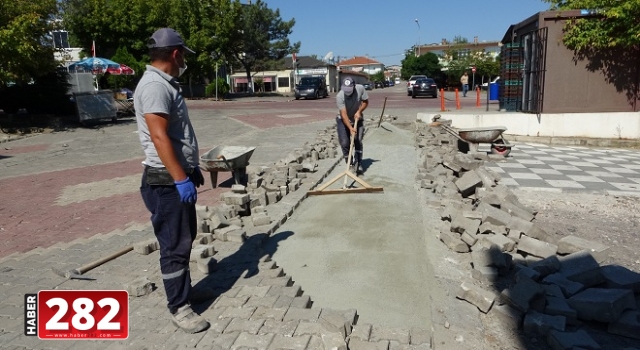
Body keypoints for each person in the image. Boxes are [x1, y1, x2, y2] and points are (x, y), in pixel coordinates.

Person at [133, 27, 211, 334]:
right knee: (174, 246)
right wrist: (180, 178)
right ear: (176, 54)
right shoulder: (154, 86)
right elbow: (158, 135)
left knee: (184, 239)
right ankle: (179, 307)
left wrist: (190, 168)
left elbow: (175, 137)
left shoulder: (164, 83)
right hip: (165, 182)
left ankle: (185, 294)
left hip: (175, 175)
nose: (183, 63)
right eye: (183, 57)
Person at [336, 77, 369, 175]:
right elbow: (343, 114)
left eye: (349, 90)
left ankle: (357, 162)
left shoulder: (360, 89)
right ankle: (349, 164)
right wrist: (350, 128)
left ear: (354, 86)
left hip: (357, 118)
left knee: (357, 140)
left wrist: (359, 111)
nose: (347, 92)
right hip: (343, 120)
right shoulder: (340, 96)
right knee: (345, 142)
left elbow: (365, 102)